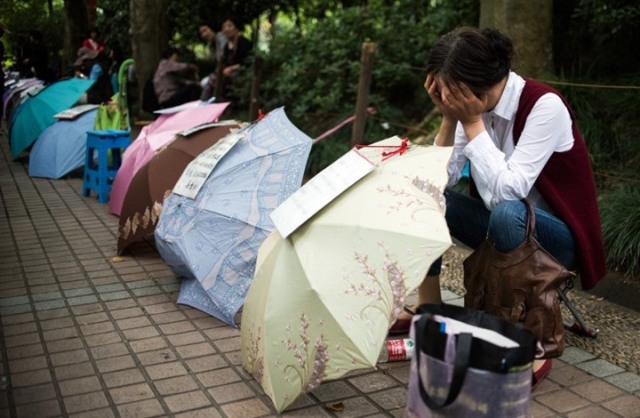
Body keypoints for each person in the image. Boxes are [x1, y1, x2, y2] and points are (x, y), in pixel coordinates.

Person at [390, 27, 606, 388]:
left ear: (482, 83)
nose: (453, 101)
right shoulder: (469, 109)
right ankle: (430, 311)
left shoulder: (543, 105)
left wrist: (472, 122)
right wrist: (448, 119)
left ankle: (523, 336)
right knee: (426, 198)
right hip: (502, 230)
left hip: (556, 242)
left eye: (455, 94)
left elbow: (510, 193)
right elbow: (436, 180)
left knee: (508, 212)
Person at [201, 17, 252, 101]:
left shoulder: (244, 43)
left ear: (236, 28)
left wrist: (231, 69)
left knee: (219, 80)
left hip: (242, 73)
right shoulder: (226, 47)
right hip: (227, 74)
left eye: (229, 26)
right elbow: (224, 63)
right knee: (213, 78)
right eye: (224, 27)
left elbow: (247, 63)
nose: (226, 29)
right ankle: (205, 102)